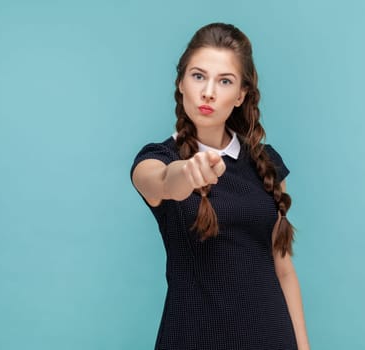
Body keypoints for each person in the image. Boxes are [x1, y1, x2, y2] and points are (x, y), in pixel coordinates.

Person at [130, 22, 310, 350]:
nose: (208, 91)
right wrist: (188, 171)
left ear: (241, 94)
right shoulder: (157, 158)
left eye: (224, 81)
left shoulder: (266, 163)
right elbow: (161, 182)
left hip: (272, 338)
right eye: (198, 76)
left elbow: (283, 270)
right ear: (181, 82)